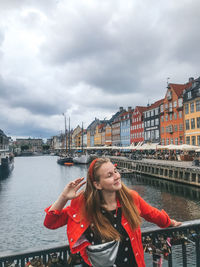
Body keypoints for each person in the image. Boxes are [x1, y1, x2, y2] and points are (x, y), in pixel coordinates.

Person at [44, 158, 181, 267]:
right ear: (97, 184)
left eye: (115, 171)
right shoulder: (85, 207)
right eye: (109, 175)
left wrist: (169, 222)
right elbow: (50, 223)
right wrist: (63, 198)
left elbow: (153, 214)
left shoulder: (130, 198)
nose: (116, 176)